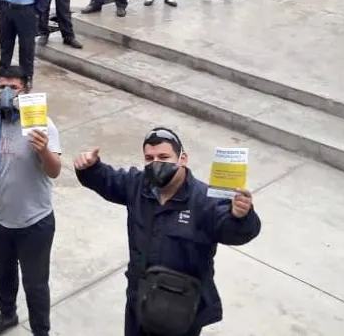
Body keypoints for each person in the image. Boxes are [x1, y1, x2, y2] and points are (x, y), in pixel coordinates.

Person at [73, 128, 261, 336]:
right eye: (149, 158)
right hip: (140, 300)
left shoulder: (204, 200)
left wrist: (242, 216)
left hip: (181, 308)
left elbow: (231, 230)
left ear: (183, 159)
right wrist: (89, 168)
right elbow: (108, 180)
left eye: (164, 157)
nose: (156, 163)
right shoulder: (138, 185)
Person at [0, 66, 63, 336]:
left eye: (13, 87)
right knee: (3, 275)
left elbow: (55, 171)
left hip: (35, 222)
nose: (6, 92)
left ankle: (41, 330)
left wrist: (43, 150)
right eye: (1, 87)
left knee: (36, 284)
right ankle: (7, 314)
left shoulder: (43, 125)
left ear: (26, 91)